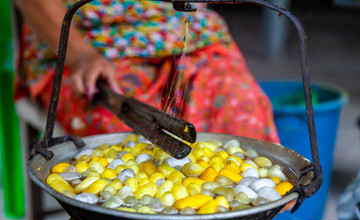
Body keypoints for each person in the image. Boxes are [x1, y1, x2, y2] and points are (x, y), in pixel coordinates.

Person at [14, 0, 279, 143]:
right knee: (123, 138)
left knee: (242, 113)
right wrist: (82, 56)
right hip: (87, 43)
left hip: (188, 32)